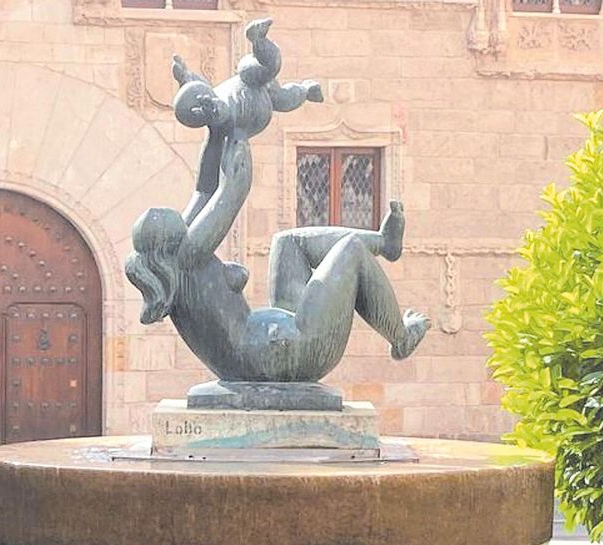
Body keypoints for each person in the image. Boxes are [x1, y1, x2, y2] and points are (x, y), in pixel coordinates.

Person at [125, 129, 430, 383]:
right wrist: (240, 134)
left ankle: (385, 243)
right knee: (350, 249)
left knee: (288, 242)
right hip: (290, 350)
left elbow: (203, 191)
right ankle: (401, 338)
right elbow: (233, 192)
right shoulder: (188, 257)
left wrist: (217, 132)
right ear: (170, 241)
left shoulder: (176, 259)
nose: (182, 217)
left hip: (268, 348)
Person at [172, 17, 322, 223]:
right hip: (250, 111)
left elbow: (217, 106)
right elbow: (207, 96)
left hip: (250, 106)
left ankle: (259, 41)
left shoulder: (223, 99)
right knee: (283, 96)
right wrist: (186, 78)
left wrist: (188, 81)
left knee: (277, 79)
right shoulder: (216, 101)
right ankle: (305, 88)